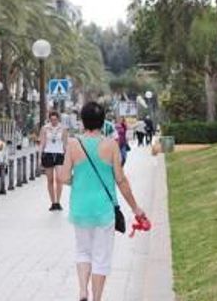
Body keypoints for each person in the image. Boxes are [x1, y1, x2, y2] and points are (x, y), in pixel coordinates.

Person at [59, 102, 146, 301]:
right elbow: (121, 180)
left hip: (80, 208)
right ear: (102, 121)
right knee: (101, 257)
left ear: (82, 121)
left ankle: (83, 291)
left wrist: (78, 181)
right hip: (104, 211)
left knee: (82, 251)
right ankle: (96, 298)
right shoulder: (111, 145)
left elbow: (63, 178)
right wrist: (135, 207)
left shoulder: (73, 144)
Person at [39, 111, 68, 211]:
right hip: (48, 154)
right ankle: (53, 202)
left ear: (58, 119)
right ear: (49, 119)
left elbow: (65, 144)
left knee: (59, 179)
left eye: (55, 119)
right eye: (52, 119)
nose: (53, 121)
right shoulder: (45, 128)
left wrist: (67, 156)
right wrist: (40, 157)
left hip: (59, 154)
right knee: (50, 180)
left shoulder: (63, 129)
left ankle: (58, 201)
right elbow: (42, 143)